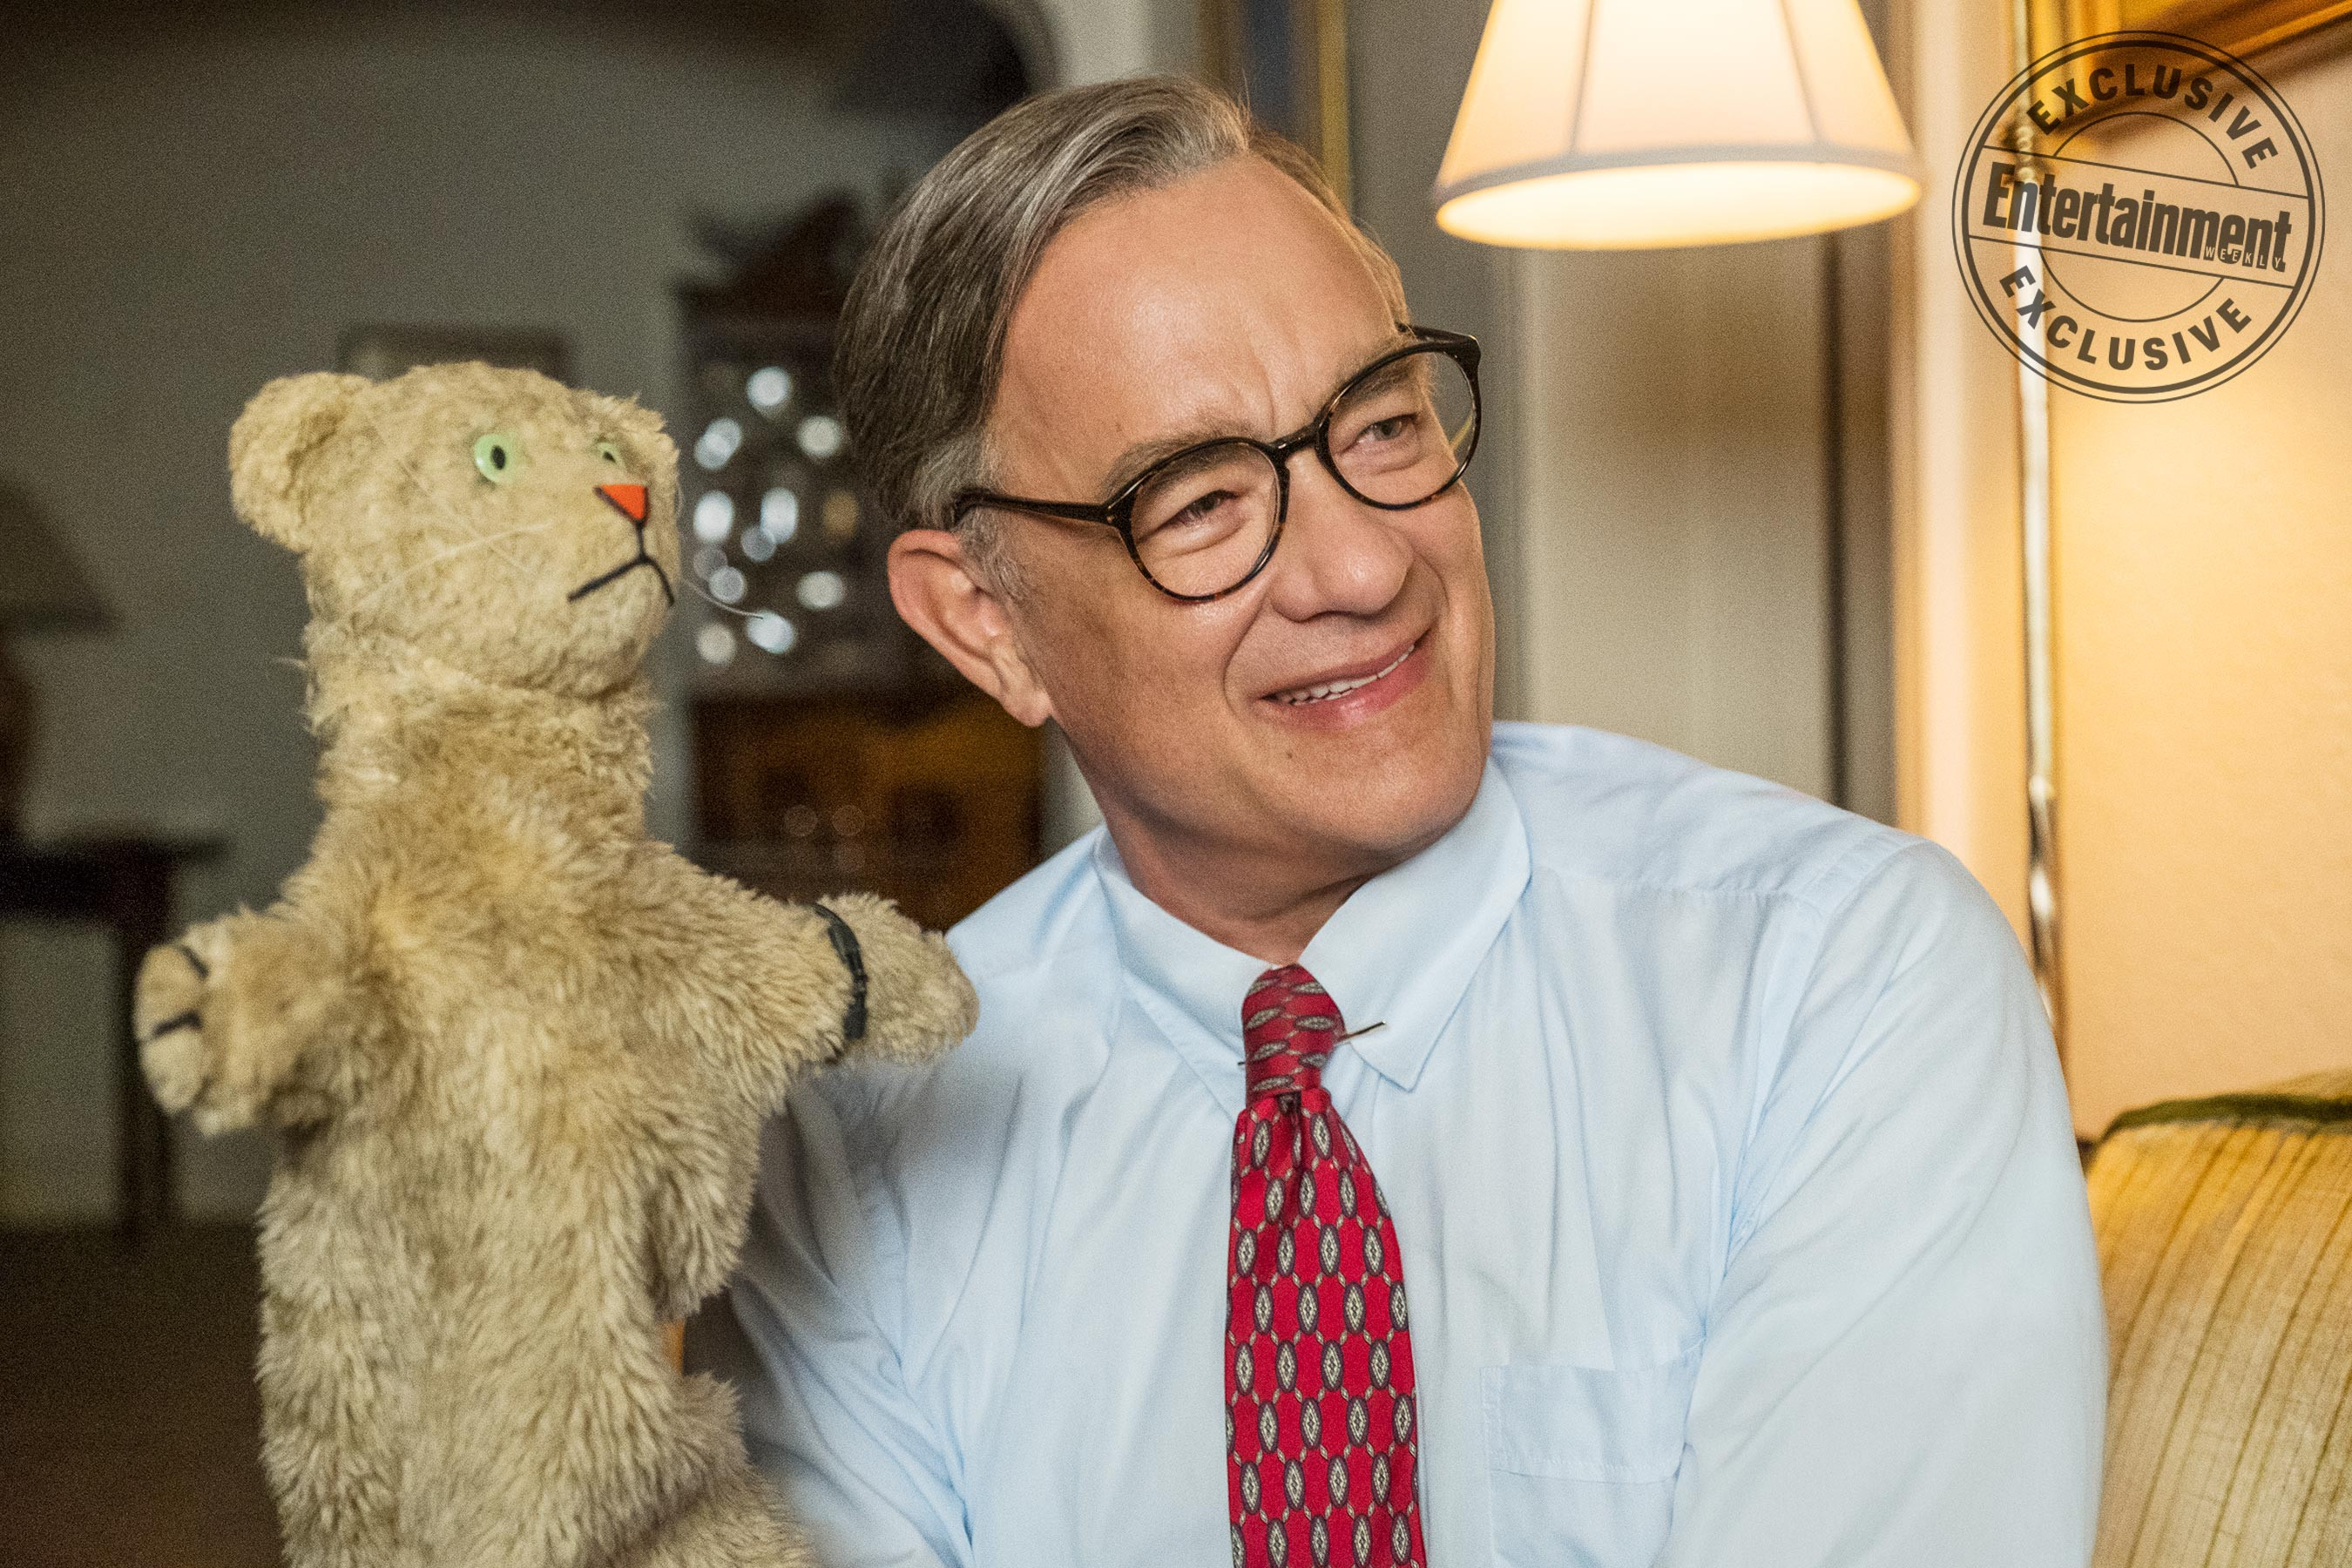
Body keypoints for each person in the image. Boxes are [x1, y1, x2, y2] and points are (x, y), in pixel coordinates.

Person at [697, 76, 2105, 1568]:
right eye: (1199, 504)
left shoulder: (1840, 985)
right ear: (987, 624)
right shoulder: (851, 1157)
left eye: (1380, 424)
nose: (1366, 568)